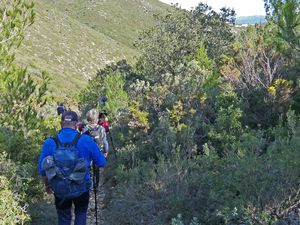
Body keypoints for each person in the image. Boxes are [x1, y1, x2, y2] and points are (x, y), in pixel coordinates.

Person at [38, 110, 106, 225]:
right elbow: (101, 162)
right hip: (82, 188)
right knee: (81, 213)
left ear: (61, 124)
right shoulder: (86, 140)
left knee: (64, 217)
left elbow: (42, 169)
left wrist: (47, 185)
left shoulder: (50, 142)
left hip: (60, 189)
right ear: (76, 125)